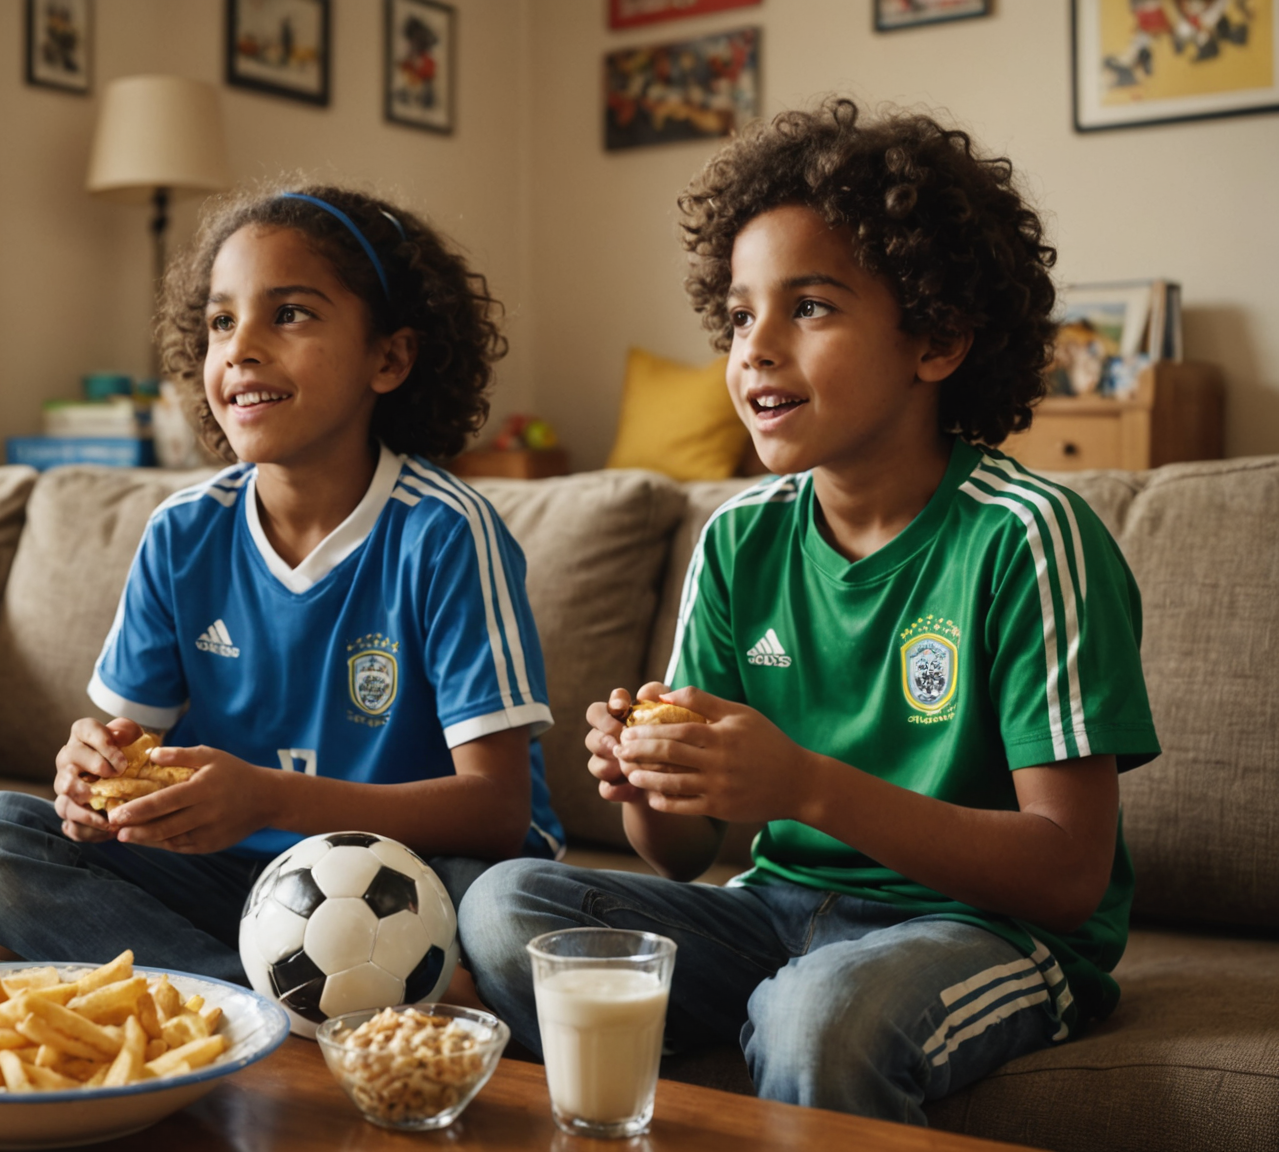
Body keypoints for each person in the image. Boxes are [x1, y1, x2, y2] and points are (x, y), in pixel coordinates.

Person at [458, 99, 1159, 1126]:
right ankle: (759, 1029)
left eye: (811, 307)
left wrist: (804, 784)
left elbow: (1066, 876)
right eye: (740, 315)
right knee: (505, 904)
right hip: (776, 913)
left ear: (937, 336)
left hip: (989, 931)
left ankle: (786, 1024)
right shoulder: (741, 538)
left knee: (825, 1014)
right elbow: (683, 853)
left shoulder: (1026, 538)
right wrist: (646, 783)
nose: (755, 349)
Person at [0, 184, 566, 984]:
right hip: (241, 881)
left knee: (501, 907)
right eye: (222, 321)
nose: (242, 347)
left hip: (417, 879)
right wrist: (91, 782)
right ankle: (256, 1003)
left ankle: (269, 996)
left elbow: (498, 812)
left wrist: (270, 799)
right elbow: (128, 753)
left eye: (290, 313)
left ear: (390, 358)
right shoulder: (183, 531)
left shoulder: (445, 532)